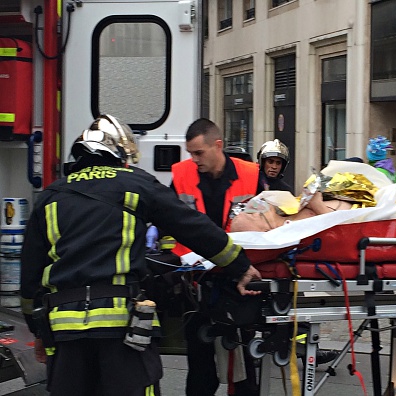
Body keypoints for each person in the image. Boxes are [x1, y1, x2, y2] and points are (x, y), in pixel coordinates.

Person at [19, 114, 261, 396]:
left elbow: (30, 275)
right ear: (119, 155)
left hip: (64, 331)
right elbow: (193, 227)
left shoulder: (50, 197)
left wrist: (37, 331)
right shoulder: (136, 184)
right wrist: (240, 265)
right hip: (121, 330)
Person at [170, 118, 261, 396]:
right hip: (197, 283)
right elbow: (169, 220)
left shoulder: (251, 174)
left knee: (242, 368)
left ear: (217, 145)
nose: (194, 159)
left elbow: (273, 220)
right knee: (200, 369)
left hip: (237, 281)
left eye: (199, 153)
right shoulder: (183, 174)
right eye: (190, 153)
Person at [230, 191, 352, 232]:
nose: (255, 211)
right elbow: (342, 232)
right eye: (252, 216)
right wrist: (318, 206)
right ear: (267, 231)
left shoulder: (284, 214)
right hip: (357, 217)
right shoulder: (290, 229)